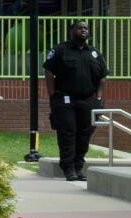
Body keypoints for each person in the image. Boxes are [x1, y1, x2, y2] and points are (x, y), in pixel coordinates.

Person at [43, 20, 106, 182]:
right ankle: (68, 168)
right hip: (65, 100)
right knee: (68, 133)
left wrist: (98, 98)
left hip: (88, 100)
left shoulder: (94, 53)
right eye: (80, 28)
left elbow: (102, 78)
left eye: (86, 28)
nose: (84, 30)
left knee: (84, 135)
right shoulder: (60, 50)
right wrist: (52, 95)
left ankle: (78, 167)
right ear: (72, 31)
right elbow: (49, 72)